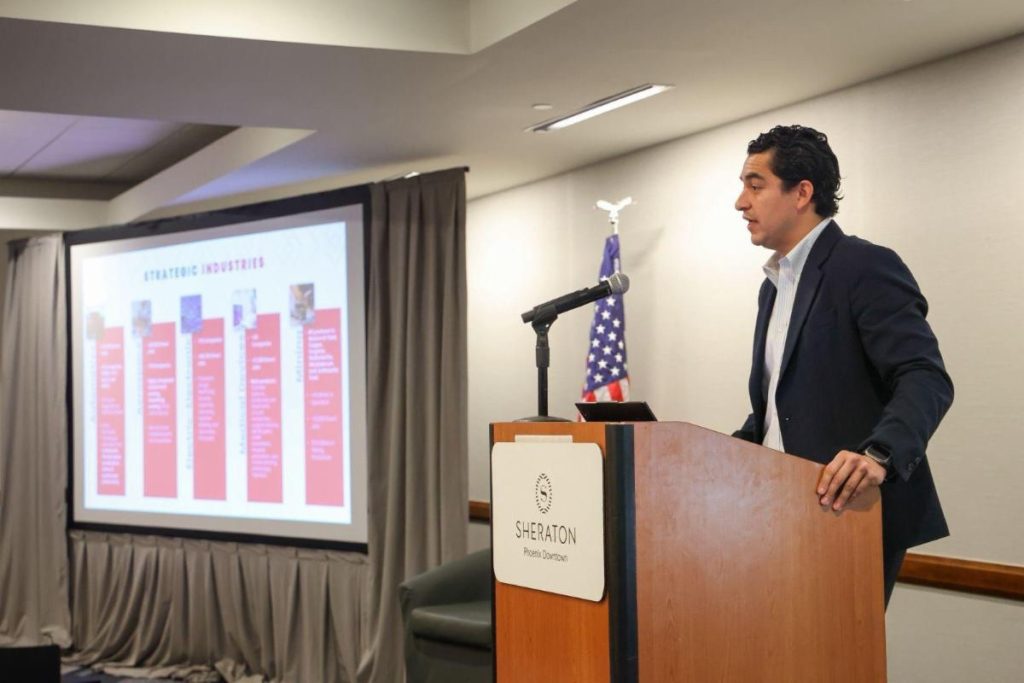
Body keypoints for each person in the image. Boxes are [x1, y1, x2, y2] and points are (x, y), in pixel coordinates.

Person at [731, 124, 953, 606]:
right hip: (776, 513)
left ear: (801, 193)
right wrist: (710, 457)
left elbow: (924, 376)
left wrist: (878, 455)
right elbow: (779, 412)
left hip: (848, 511)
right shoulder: (773, 288)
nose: (740, 203)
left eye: (755, 185)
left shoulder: (863, 265)